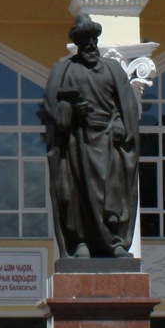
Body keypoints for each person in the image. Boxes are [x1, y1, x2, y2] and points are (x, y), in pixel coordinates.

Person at [40, 15, 143, 259]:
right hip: (77, 141)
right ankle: (81, 242)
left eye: (93, 39)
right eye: (85, 40)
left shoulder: (113, 69)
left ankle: (114, 242)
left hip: (109, 141)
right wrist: (70, 109)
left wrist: (119, 123)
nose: (90, 44)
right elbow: (50, 109)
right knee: (77, 193)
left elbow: (127, 107)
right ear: (77, 43)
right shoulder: (63, 70)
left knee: (112, 191)